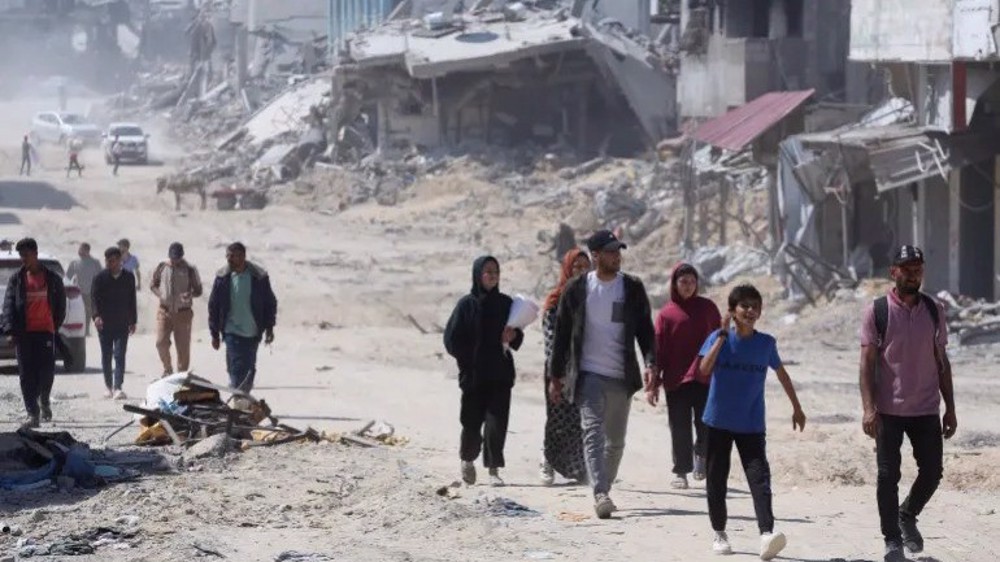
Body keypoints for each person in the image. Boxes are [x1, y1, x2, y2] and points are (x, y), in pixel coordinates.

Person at [548, 229, 656, 519]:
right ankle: (600, 493)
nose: (616, 256)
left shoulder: (631, 288)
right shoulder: (576, 289)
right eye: (610, 252)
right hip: (588, 374)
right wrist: (555, 376)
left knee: (616, 442)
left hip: (622, 376)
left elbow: (646, 331)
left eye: (618, 251)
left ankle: (603, 484)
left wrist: (650, 363)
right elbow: (562, 336)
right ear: (595, 256)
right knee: (592, 432)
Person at [859, 245, 956, 561]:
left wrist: (950, 407)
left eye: (918, 268)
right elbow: (866, 362)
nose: (914, 274)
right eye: (907, 268)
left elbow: (941, 359)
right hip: (888, 410)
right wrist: (868, 408)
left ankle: (907, 514)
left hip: (927, 408)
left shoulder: (933, 309)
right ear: (894, 272)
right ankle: (892, 540)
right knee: (888, 475)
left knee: (932, 471)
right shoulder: (878, 311)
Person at [697, 283, 806, 560]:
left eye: (755, 306)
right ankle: (719, 533)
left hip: (751, 424)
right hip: (717, 422)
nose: (750, 311)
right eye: (744, 306)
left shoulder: (766, 343)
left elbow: (782, 374)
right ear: (732, 311)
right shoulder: (717, 338)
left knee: (759, 479)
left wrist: (797, 407)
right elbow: (703, 369)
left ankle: (766, 534)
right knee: (717, 480)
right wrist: (722, 337)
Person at [444, 256, 525, 488]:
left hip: (500, 374)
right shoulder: (466, 305)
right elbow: (451, 339)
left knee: (496, 424)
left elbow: (518, 334)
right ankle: (467, 459)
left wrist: (513, 336)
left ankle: (493, 470)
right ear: (478, 274)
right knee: (471, 422)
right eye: (487, 271)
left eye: (495, 272)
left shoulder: (505, 304)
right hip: (474, 376)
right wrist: (468, 360)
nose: (492, 276)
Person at [648, 263, 721, 490]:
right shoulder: (666, 314)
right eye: (683, 282)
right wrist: (653, 384)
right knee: (679, 427)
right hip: (675, 380)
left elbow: (720, 340)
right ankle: (681, 471)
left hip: (705, 378)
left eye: (692, 281)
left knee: (705, 424)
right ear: (674, 284)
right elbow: (658, 350)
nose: (688, 286)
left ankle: (701, 455)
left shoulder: (708, 308)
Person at [0, 238, 65, 428]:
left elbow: (61, 305)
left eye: (26, 255)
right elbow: (9, 305)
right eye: (21, 256)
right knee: (26, 375)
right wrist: (10, 330)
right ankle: (32, 414)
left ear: (35, 254)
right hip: (24, 334)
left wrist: (55, 324)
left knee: (46, 373)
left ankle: (44, 399)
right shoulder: (17, 279)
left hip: (45, 332)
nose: (23, 260)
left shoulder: (52, 278)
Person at [539, 248, 591, 485]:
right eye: (576, 266)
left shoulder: (594, 297)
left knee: (579, 420)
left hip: (587, 369)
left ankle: (577, 467)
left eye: (584, 266)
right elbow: (551, 340)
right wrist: (556, 374)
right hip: (560, 370)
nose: (580, 271)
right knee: (558, 418)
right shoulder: (555, 300)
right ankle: (548, 461)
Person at [208, 242, 277, 392]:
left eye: (233, 256)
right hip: (231, 330)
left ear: (243, 257)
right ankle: (238, 397)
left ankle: (242, 395)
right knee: (236, 365)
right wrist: (214, 334)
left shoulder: (259, 277)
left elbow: (270, 303)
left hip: (253, 331)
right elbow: (214, 305)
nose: (229, 259)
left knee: (249, 368)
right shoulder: (223, 277)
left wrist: (270, 328)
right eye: (228, 256)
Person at [91, 247, 137, 399]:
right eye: (107, 261)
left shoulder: (129, 277)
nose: (109, 264)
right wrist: (96, 316)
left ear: (119, 261)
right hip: (104, 324)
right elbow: (94, 300)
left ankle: (118, 387)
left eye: (112, 261)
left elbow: (132, 300)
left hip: (122, 323)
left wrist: (133, 320)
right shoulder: (100, 278)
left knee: (120, 355)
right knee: (106, 355)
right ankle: (108, 387)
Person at [150, 242, 203, 376]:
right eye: (172, 258)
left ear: (182, 256)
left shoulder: (190, 269)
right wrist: (160, 294)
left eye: (177, 258)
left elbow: (199, 290)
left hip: (183, 313)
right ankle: (167, 369)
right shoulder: (162, 267)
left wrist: (189, 294)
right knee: (160, 343)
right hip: (164, 311)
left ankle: (181, 374)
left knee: (183, 348)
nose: (174, 261)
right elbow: (153, 285)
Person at [67, 243, 102, 336]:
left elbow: (101, 276)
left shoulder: (95, 263)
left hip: (91, 291)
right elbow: (67, 277)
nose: (79, 251)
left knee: (89, 312)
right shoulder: (74, 263)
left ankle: (86, 330)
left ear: (87, 251)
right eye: (79, 249)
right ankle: (80, 329)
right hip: (78, 292)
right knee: (78, 311)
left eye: (81, 249)